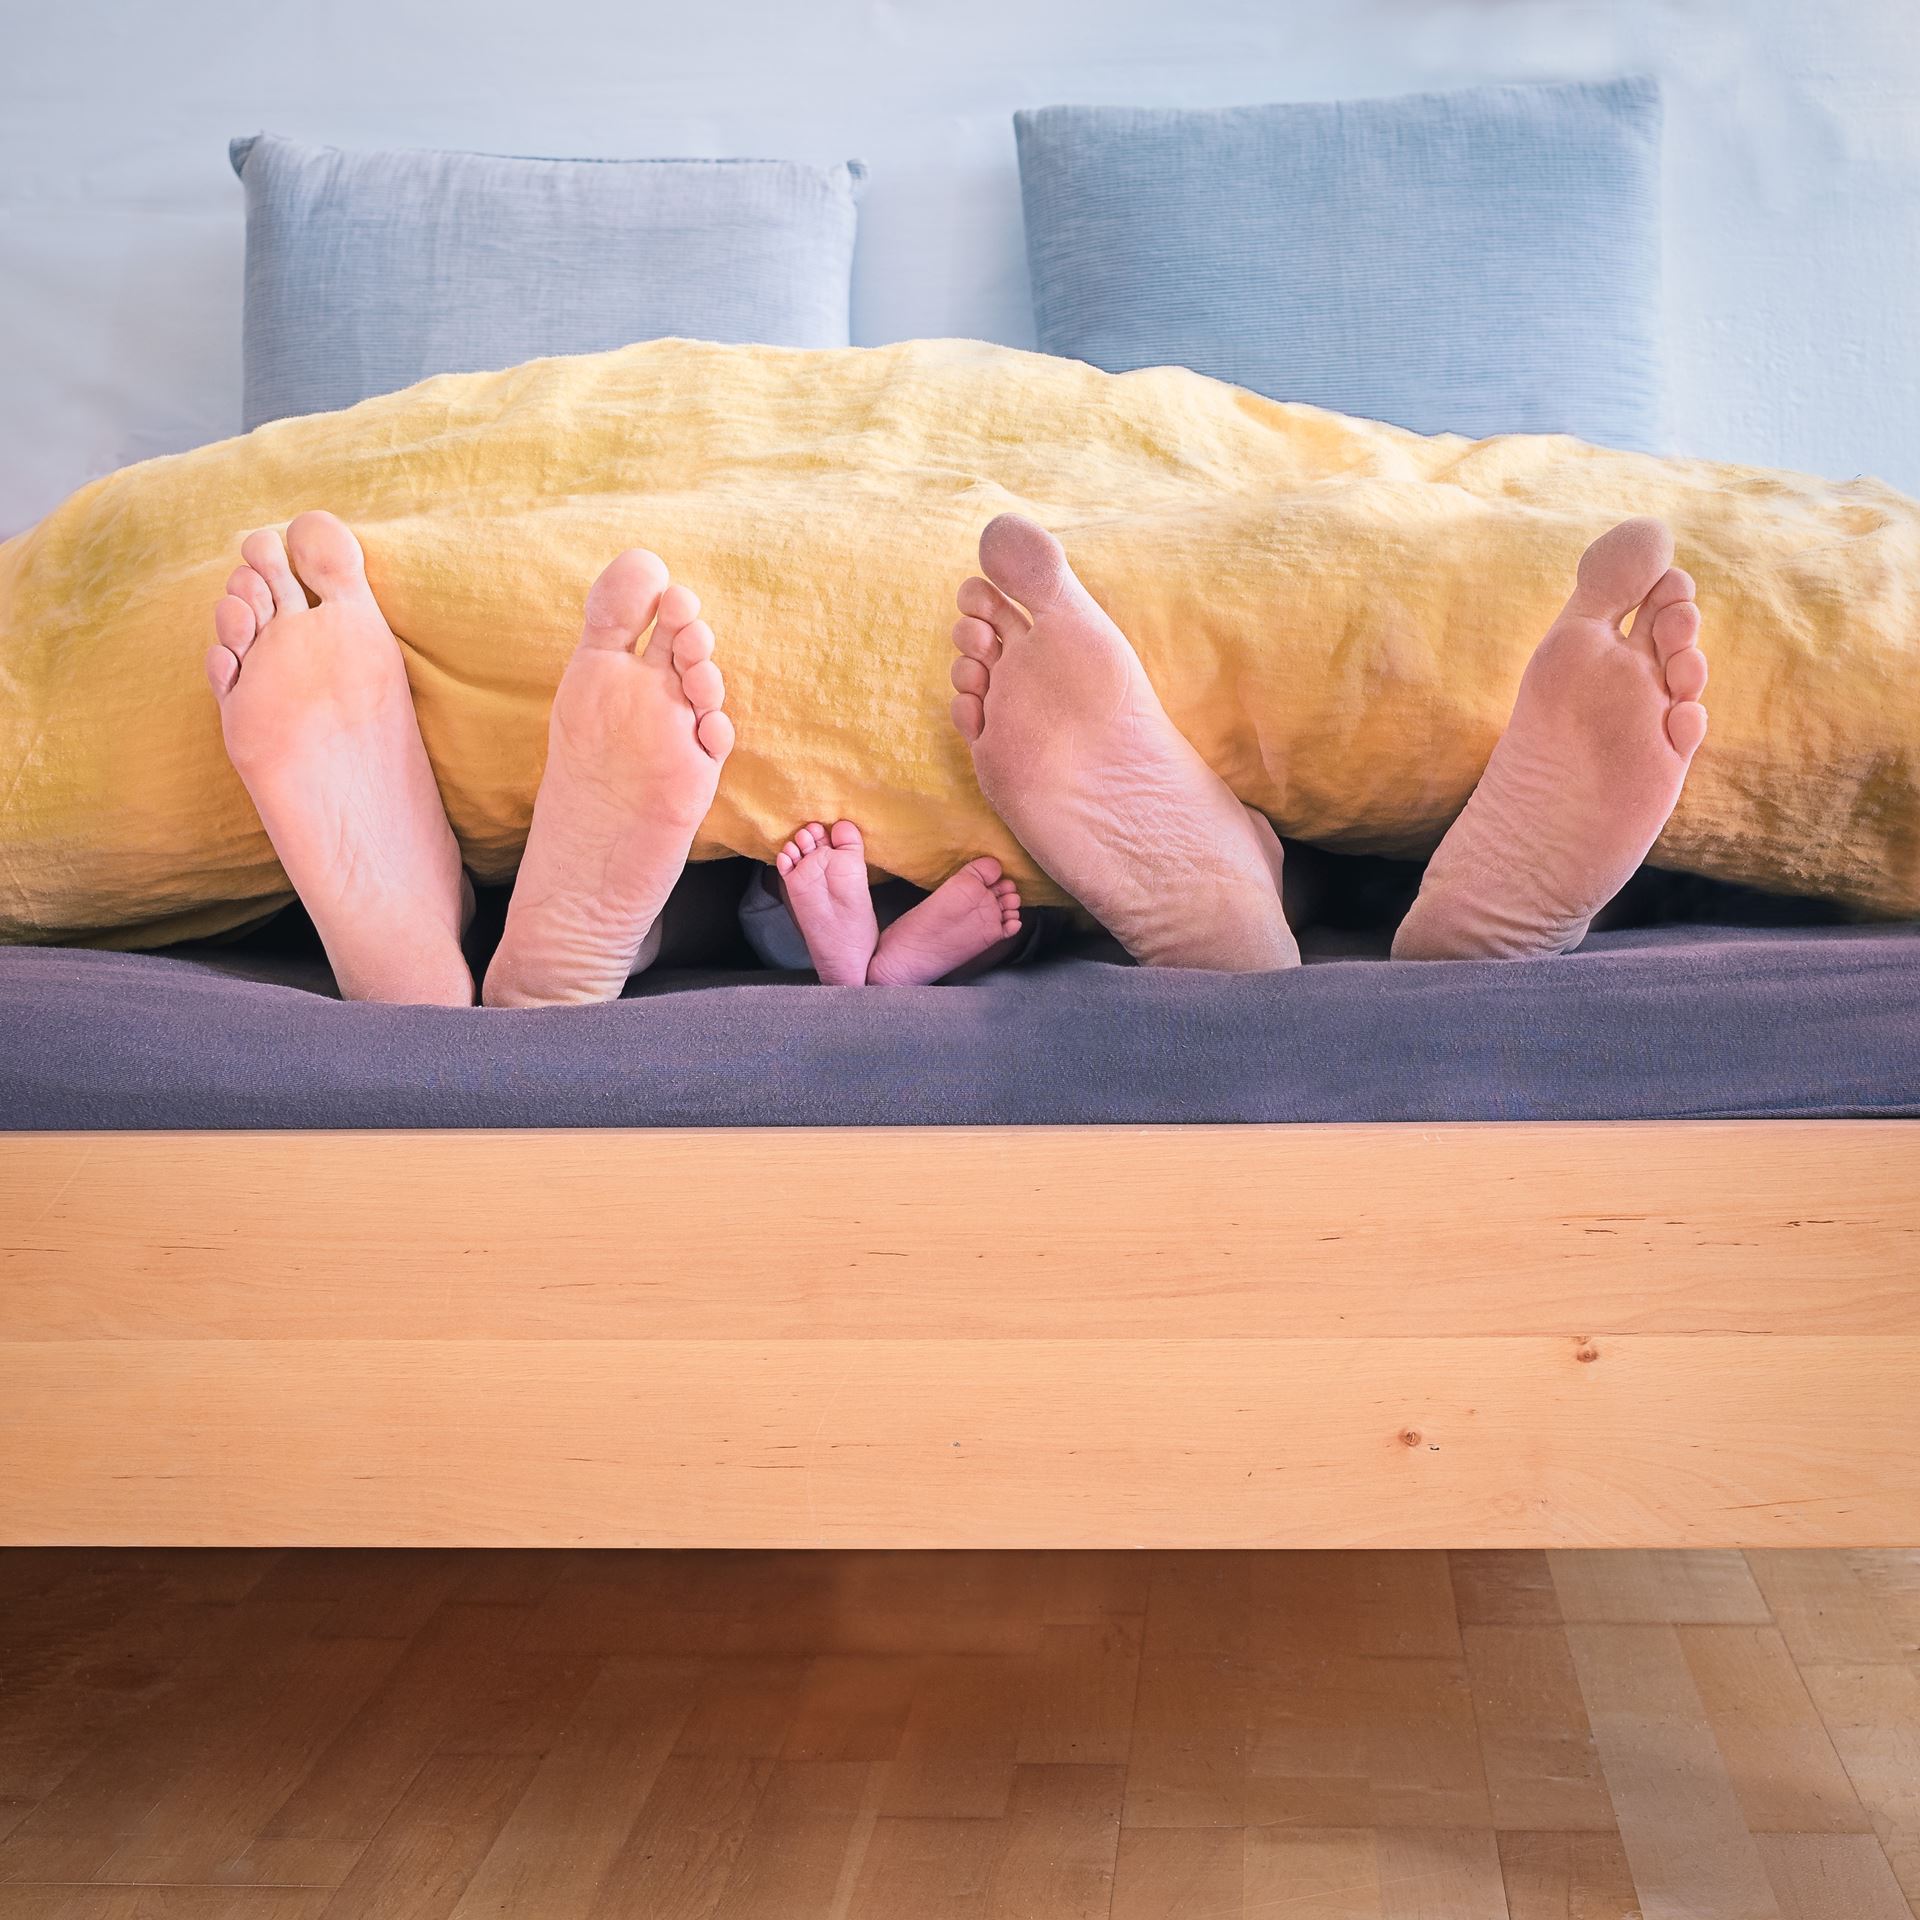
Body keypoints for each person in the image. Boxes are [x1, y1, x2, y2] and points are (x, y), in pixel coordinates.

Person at [204, 504, 1706, 1005]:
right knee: (1300, 857)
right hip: (985, 895)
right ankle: (1275, 896)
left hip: (801, 903)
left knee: (717, 870)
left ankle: (436, 944)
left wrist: (874, 963)